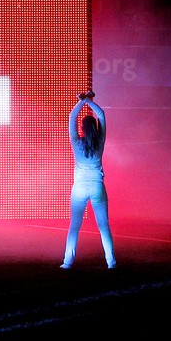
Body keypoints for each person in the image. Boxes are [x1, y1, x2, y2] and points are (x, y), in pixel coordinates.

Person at [63, 91, 116, 269]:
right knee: (103, 226)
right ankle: (111, 262)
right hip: (98, 187)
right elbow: (101, 114)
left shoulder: (76, 141)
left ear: (83, 129)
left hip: (79, 188)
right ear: (95, 127)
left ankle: (67, 262)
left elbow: (72, 116)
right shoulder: (100, 141)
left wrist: (82, 101)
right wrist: (89, 101)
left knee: (74, 227)